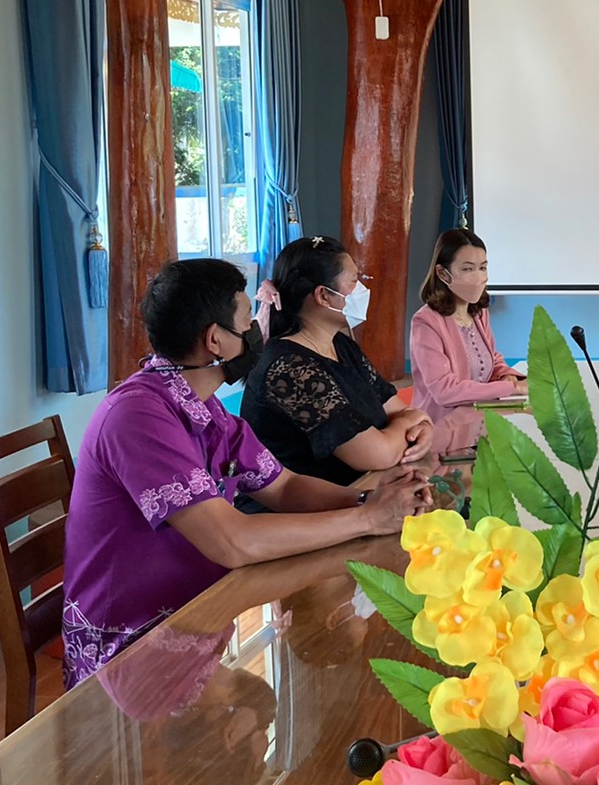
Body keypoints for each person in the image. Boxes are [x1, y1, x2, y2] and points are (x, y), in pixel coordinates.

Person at [63, 258, 431, 688]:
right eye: (247, 322)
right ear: (215, 340)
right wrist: (366, 519)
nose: (257, 330)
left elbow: (285, 487)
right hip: (133, 648)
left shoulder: (207, 410)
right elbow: (232, 541)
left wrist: (370, 500)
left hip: (204, 614)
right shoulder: (138, 417)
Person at [242, 236, 437, 488]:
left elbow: (400, 410)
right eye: (354, 281)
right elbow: (377, 454)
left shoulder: (341, 344)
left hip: (363, 492)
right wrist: (412, 423)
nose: (362, 290)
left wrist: (420, 427)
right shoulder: (289, 368)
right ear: (324, 295)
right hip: (312, 506)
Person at [409, 228, 526, 422]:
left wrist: (505, 375)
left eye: (483, 268)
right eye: (468, 269)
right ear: (443, 273)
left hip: (481, 418)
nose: (479, 277)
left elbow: (490, 357)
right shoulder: (426, 322)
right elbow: (444, 391)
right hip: (442, 425)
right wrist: (511, 388)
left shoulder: (479, 312)